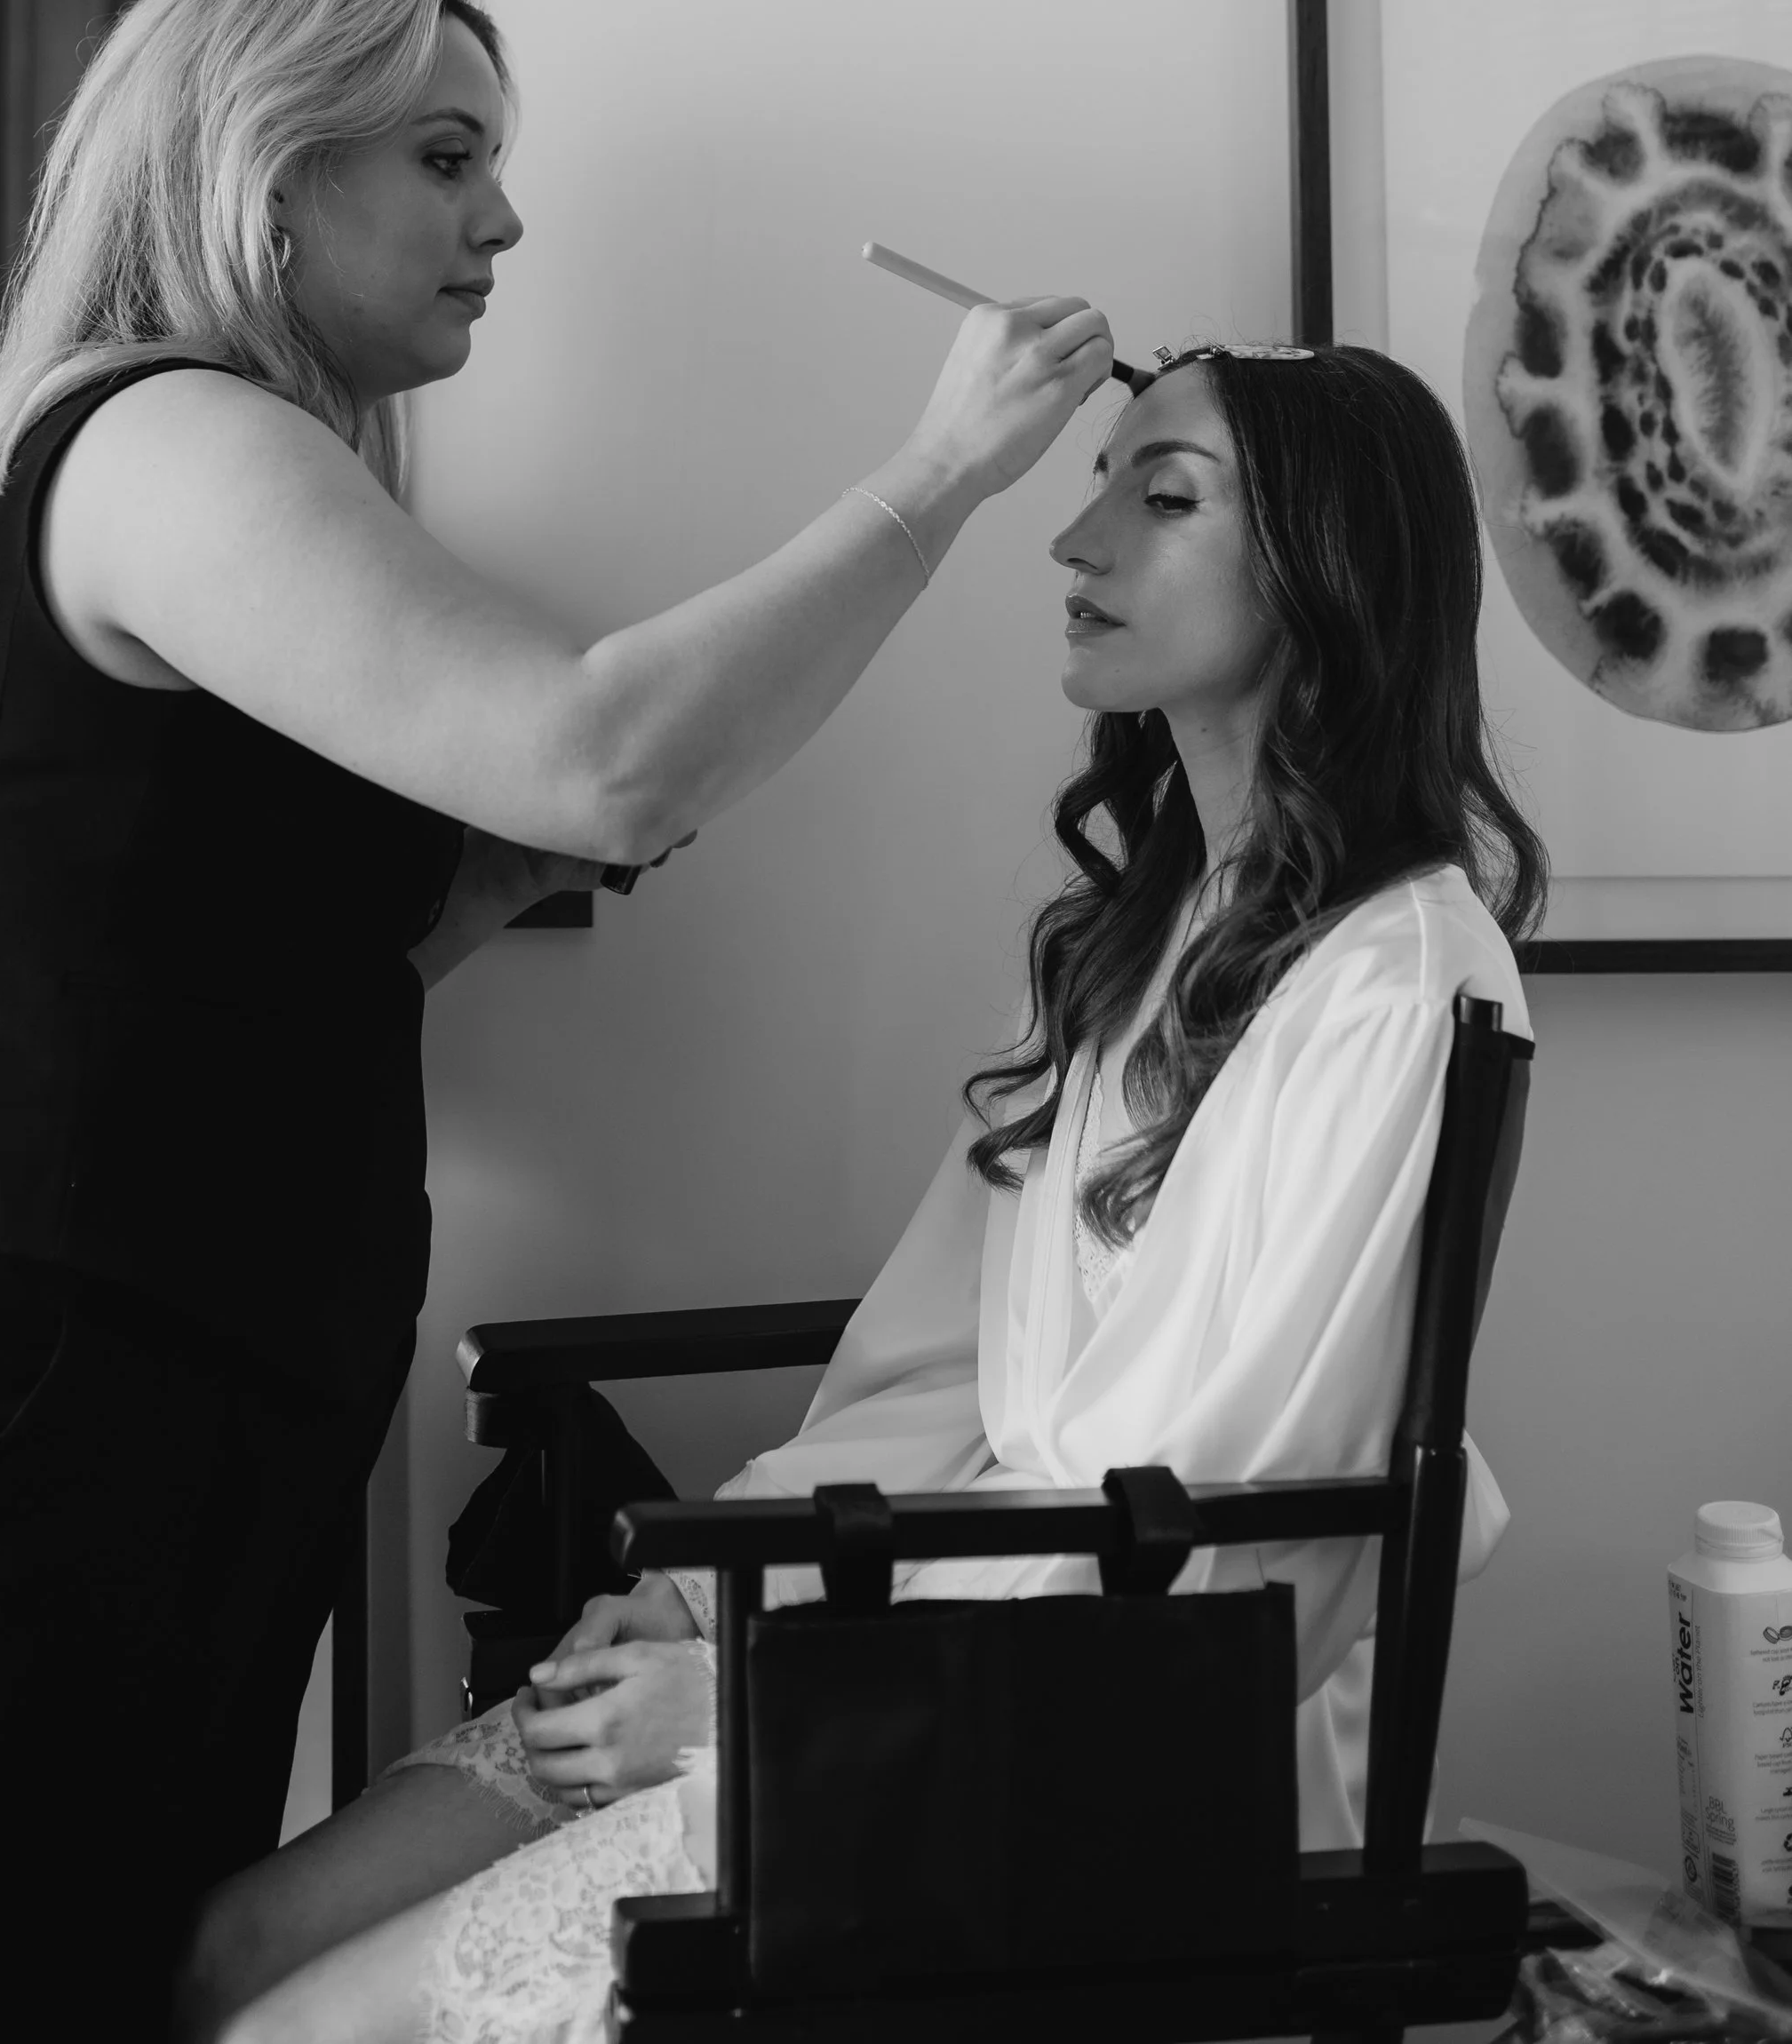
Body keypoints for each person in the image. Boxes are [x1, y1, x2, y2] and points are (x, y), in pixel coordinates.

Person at [0, 0, 1112, 2044]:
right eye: (442, 157)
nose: (501, 219)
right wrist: (940, 469)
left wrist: (486, 872)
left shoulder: (260, 475)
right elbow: (605, 742)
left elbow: (255, 969)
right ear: (268, 172)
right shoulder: (165, 439)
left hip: (141, 1468)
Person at [181, 338, 1545, 2044]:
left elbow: (1244, 1539)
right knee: (230, 1950)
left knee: (282, 2032)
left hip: (1098, 1748)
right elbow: (952, 1369)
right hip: (917, 1634)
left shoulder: (1403, 977)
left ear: (1331, 571)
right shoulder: (1140, 946)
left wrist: (759, 1710)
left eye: (1163, 494)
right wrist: (708, 1595)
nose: (1078, 539)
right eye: (1097, 478)